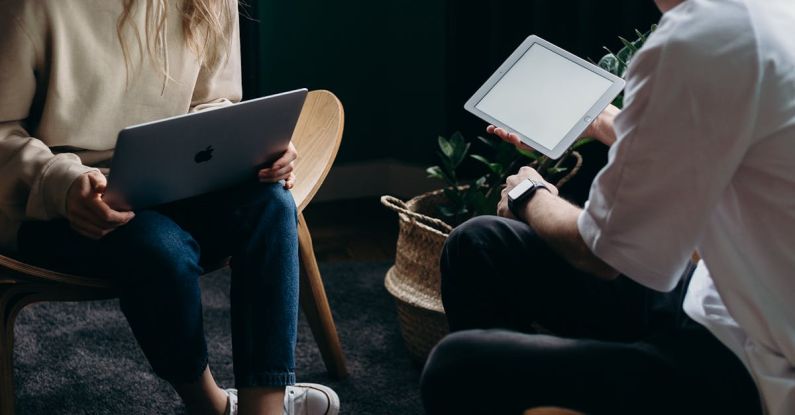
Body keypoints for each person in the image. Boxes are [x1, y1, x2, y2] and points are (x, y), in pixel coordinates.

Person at [421, 0, 795, 414]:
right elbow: (704, 141)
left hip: (757, 367)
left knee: (456, 368)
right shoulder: (767, 15)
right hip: (720, 300)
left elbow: (598, 251)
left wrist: (528, 195)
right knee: (479, 242)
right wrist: (598, 119)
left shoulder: (705, 35)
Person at [0, 1, 340, 414]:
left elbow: (212, 104)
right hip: (57, 207)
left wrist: (256, 148)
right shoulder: (29, 7)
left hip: (173, 181)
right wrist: (62, 184)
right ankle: (210, 405)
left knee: (269, 202)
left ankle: (262, 406)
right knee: (159, 247)